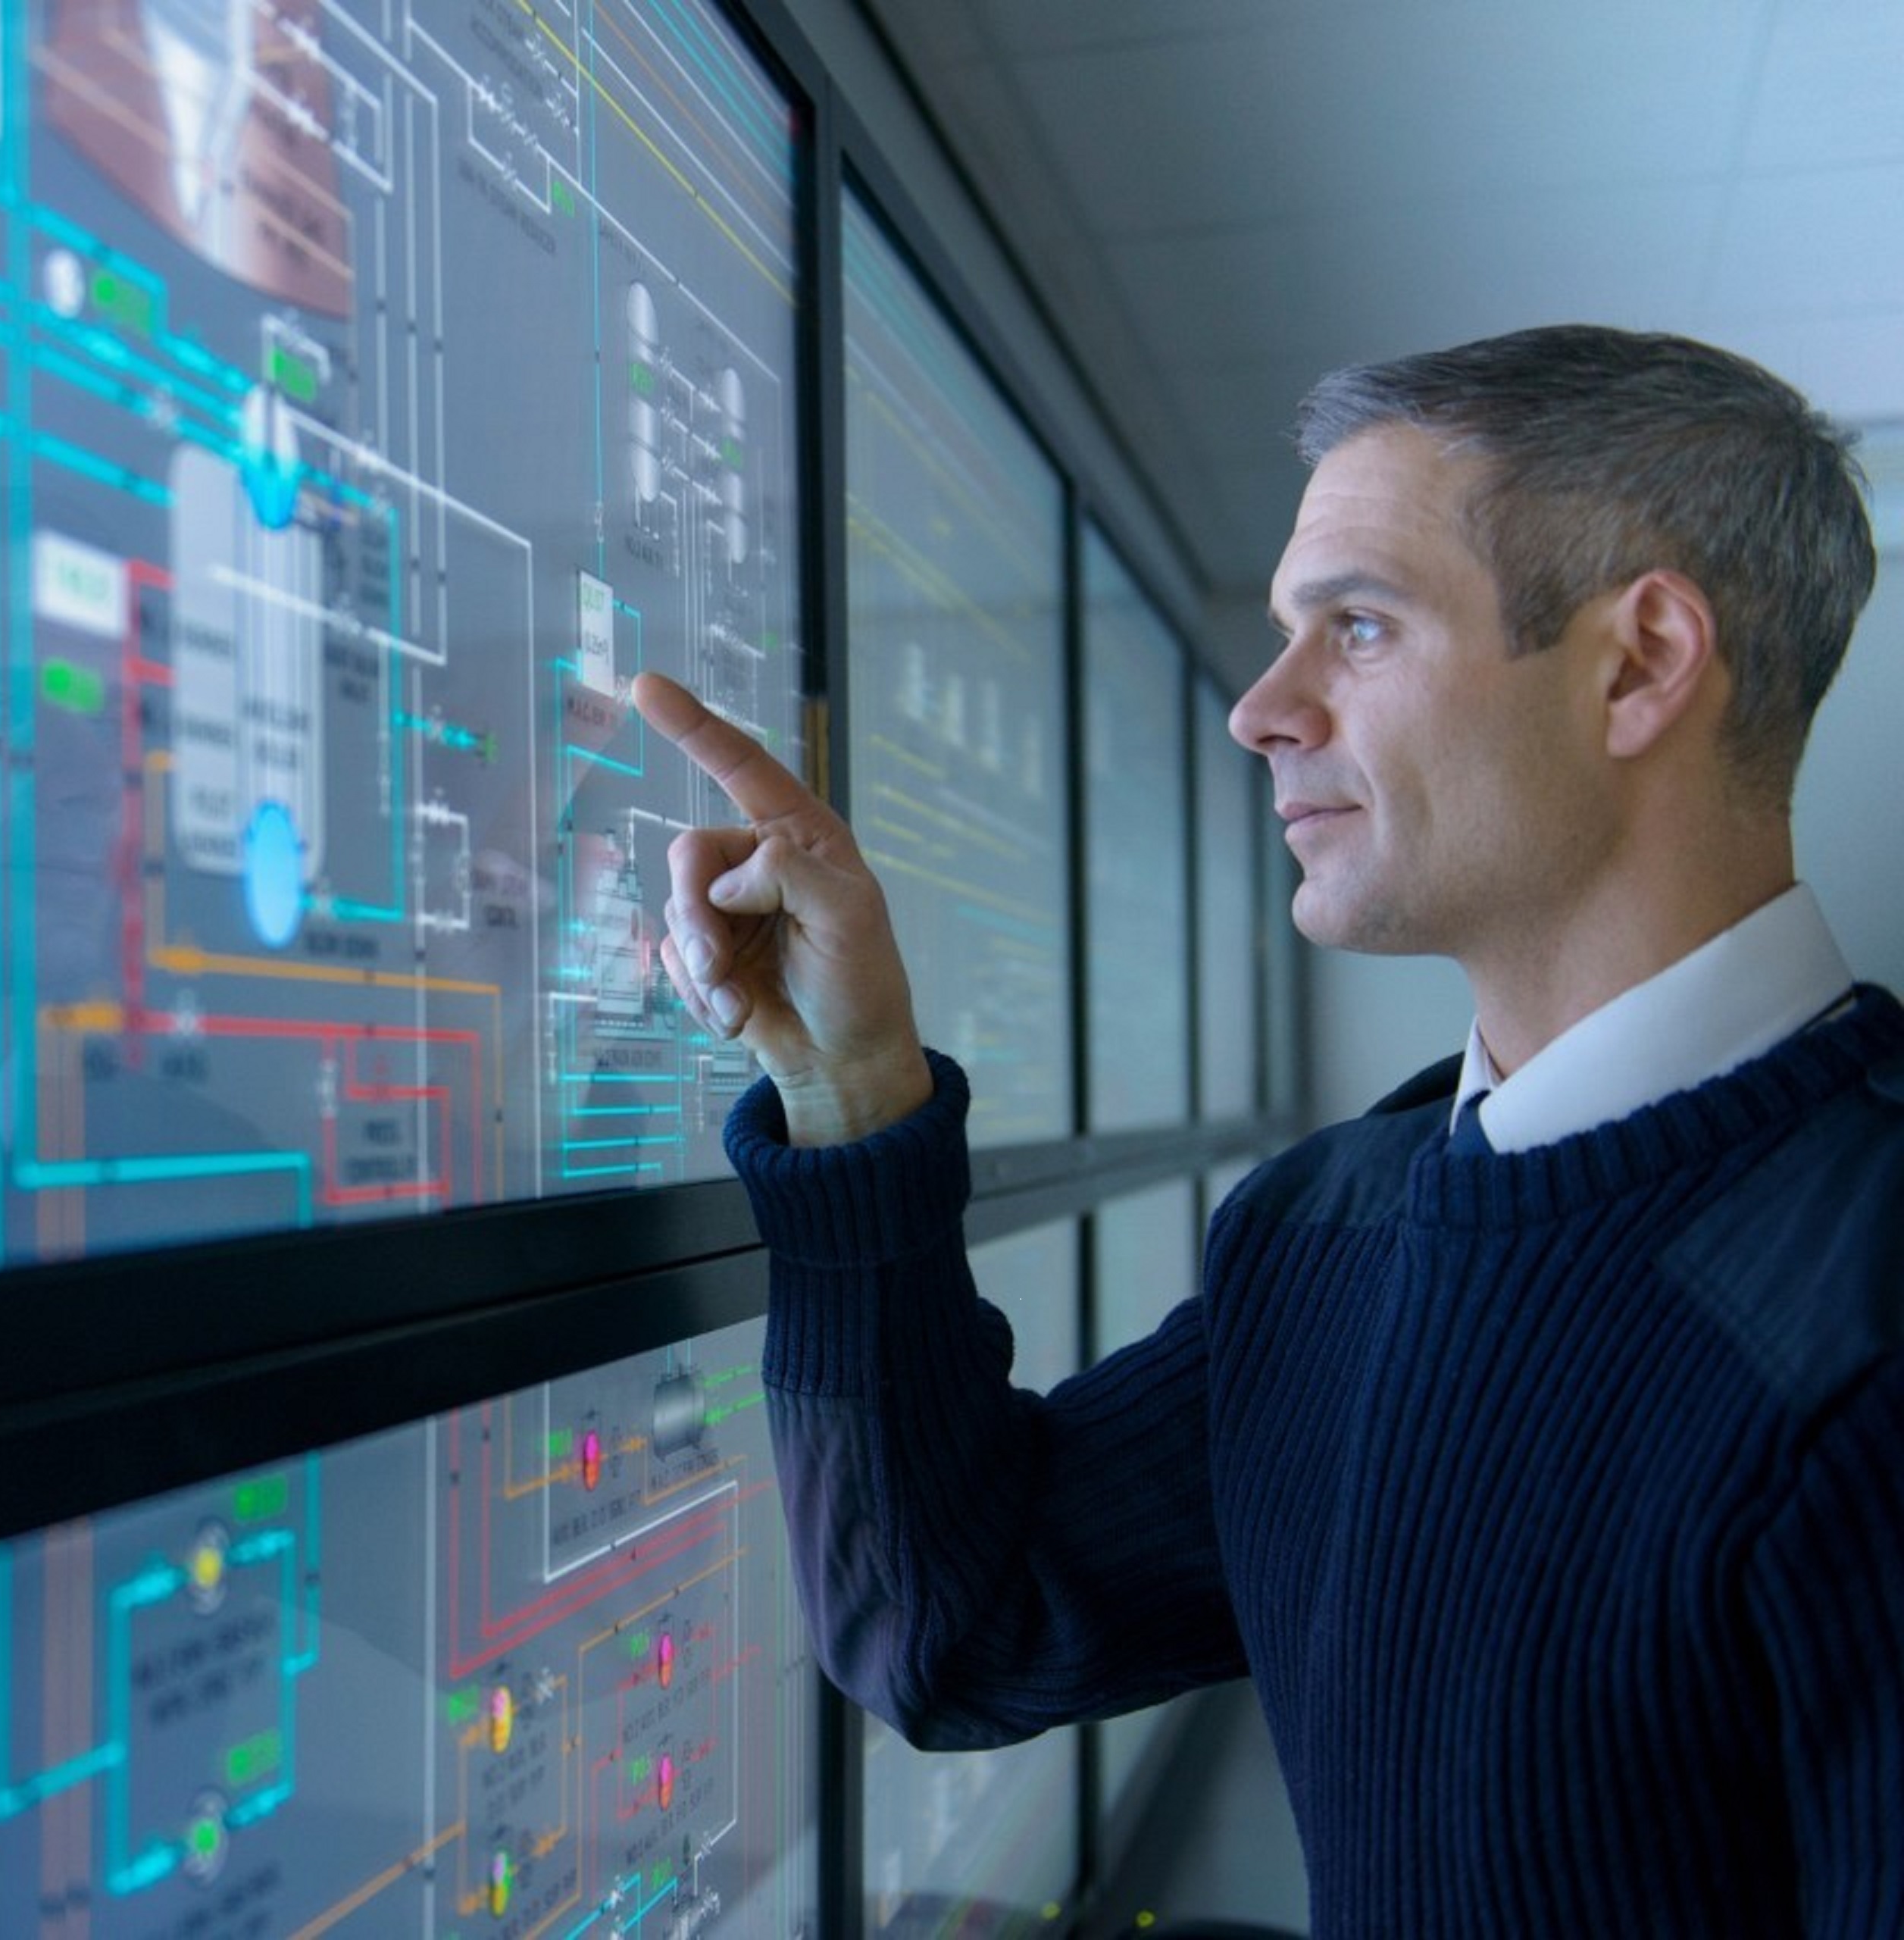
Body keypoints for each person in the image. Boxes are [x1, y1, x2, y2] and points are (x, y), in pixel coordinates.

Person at [634, 325, 1903, 1932]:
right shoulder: (1329, 1230)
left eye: (1355, 627)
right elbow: (951, 1626)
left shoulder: (1865, 1316)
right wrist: (849, 1089)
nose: (1259, 710)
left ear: (1639, 663)